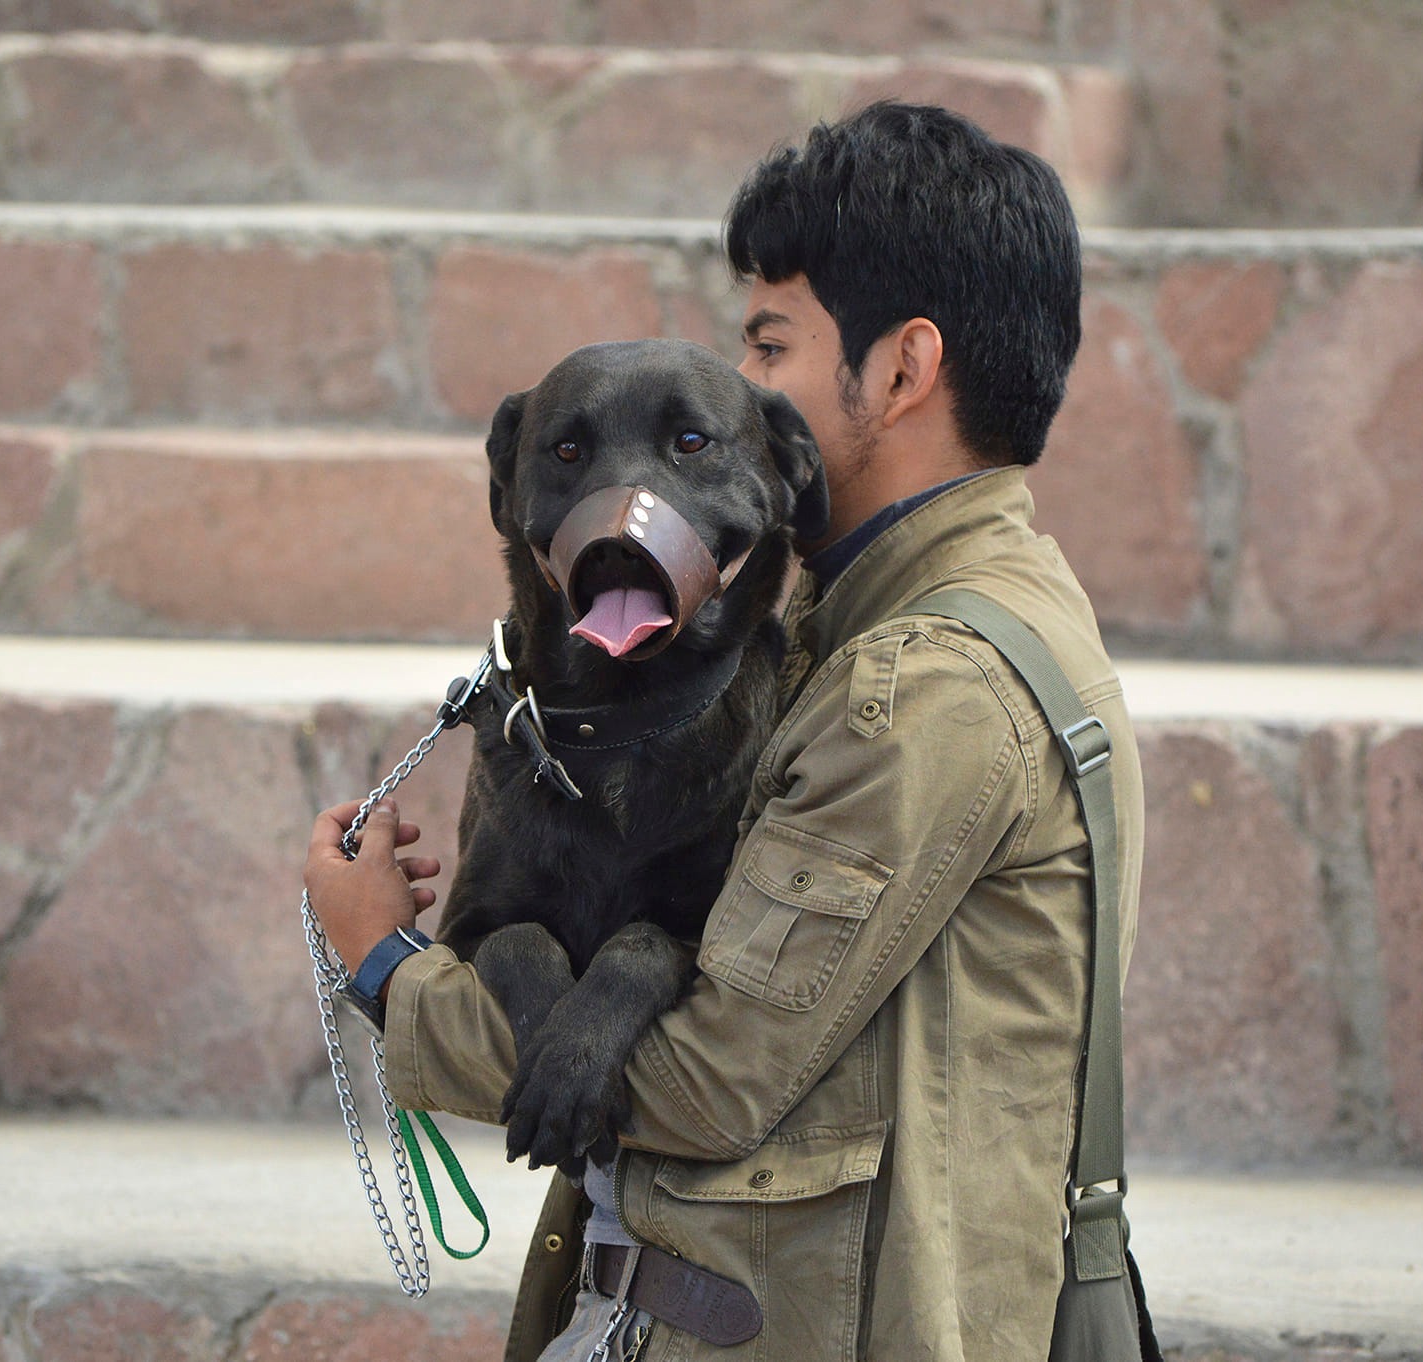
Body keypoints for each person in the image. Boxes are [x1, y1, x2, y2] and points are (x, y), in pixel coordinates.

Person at [305, 101, 1146, 1362]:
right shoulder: (930, 613)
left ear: (903, 370)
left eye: (766, 345)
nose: (738, 384)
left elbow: (706, 1077)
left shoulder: (921, 688)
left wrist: (382, 967)